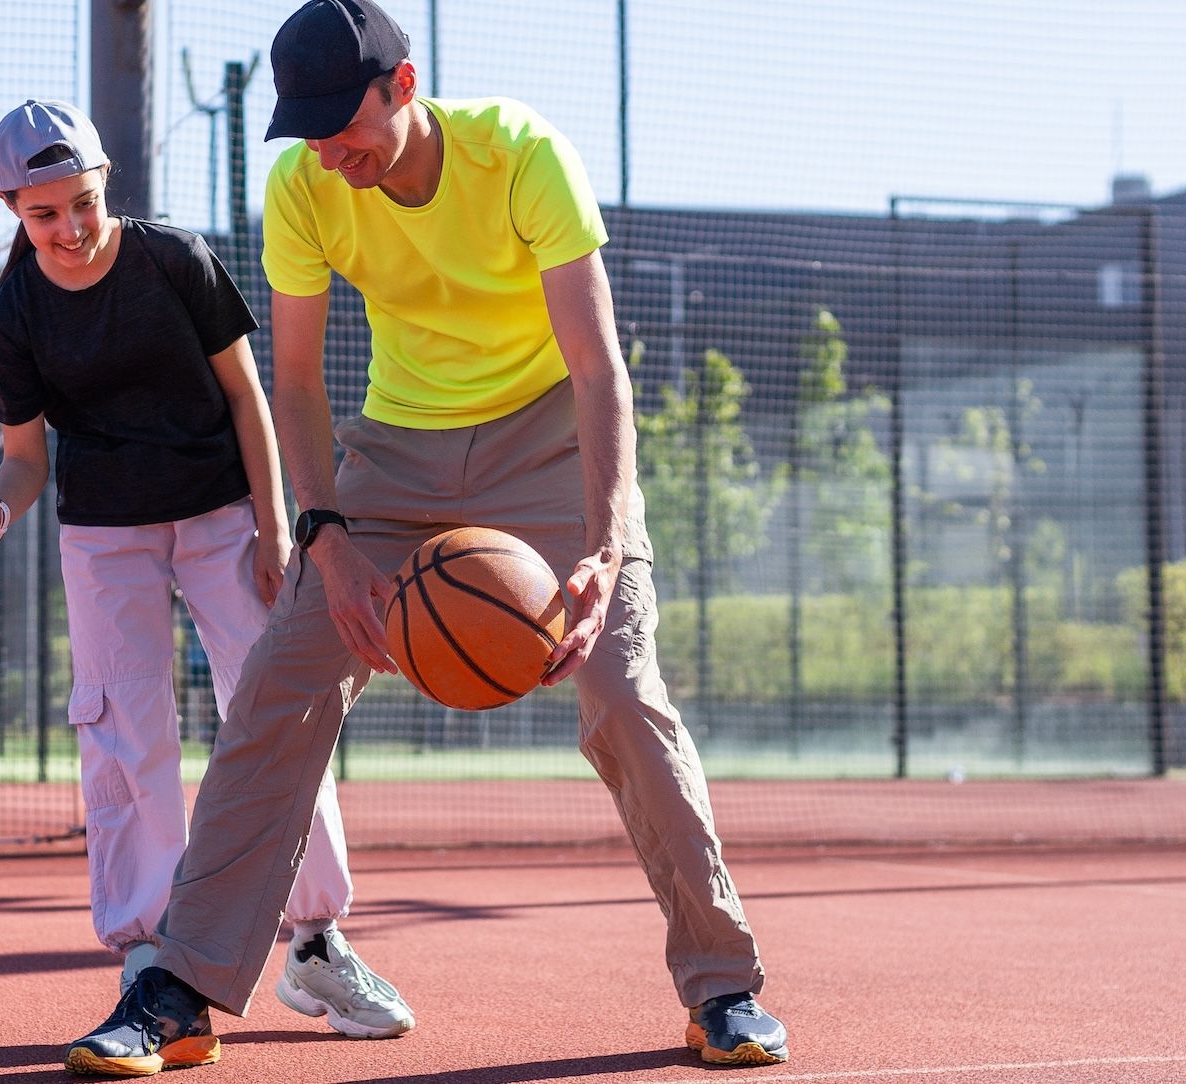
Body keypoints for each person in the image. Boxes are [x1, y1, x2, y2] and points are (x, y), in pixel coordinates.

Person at [65, 0, 788, 1074]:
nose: (327, 150)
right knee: (275, 689)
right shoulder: (305, 187)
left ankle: (723, 986)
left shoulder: (523, 154)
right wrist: (328, 537)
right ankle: (181, 989)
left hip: (550, 441)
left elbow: (597, 368)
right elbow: (299, 382)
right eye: (304, 129)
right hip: (398, 453)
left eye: (341, 123)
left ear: (403, 89)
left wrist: (603, 539)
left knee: (626, 693)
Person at [0, 99, 414, 1069]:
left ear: (104, 185)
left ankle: (315, 939)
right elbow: (24, 458)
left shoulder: (175, 262)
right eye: (43, 215)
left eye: (80, 203)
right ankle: (154, 959)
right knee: (125, 729)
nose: (68, 230)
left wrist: (276, 528)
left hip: (220, 515)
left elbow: (249, 393)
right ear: (12, 211)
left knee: (277, 709)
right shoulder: (12, 314)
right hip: (103, 530)